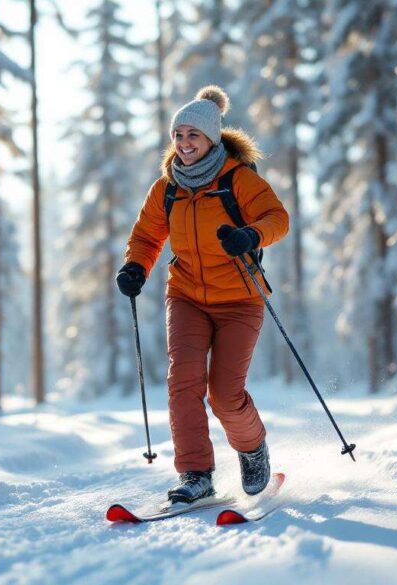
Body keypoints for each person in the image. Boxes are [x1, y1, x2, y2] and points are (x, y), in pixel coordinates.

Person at [116, 85, 289, 503]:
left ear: (212, 138)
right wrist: (135, 267)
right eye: (178, 135)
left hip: (240, 300)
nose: (184, 143)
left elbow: (277, 218)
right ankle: (195, 473)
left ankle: (252, 450)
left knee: (225, 395)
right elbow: (146, 236)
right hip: (188, 296)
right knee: (183, 381)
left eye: (193, 135)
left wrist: (250, 234)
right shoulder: (167, 188)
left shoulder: (238, 179)